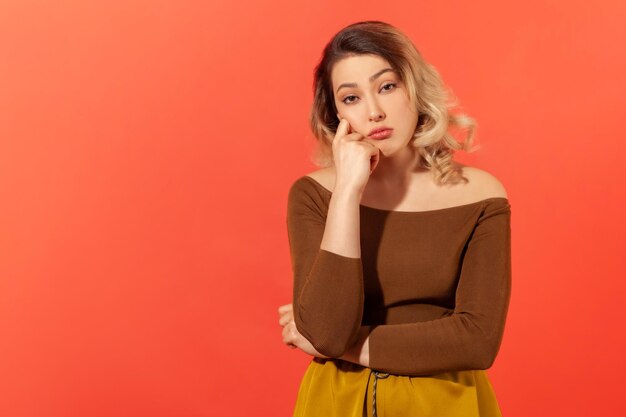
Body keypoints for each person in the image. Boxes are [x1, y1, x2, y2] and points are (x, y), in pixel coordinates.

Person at [278, 20, 511, 417]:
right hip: (335, 404)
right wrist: (348, 191)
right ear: (336, 114)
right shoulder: (315, 195)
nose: (374, 111)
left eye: (387, 86)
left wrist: (346, 348)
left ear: (414, 87)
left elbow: (477, 340)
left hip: (444, 405)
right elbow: (328, 327)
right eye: (351, 98)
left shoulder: (481, 195)